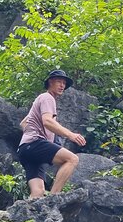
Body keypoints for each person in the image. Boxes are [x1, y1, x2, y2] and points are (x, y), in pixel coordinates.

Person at [18, 69, 87, 198]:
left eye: (64, 83)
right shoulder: (47, 97)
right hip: (35, 144)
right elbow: (47, 122)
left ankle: (28, 216)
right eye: (59, 82)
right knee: (72, 159)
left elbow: (23, 123)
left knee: (37, 193)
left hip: (25, 150)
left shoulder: (40, 100)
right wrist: (71, 135)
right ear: (50, 82)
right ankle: (53, 198)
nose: (62, 86)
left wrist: (31, 134)